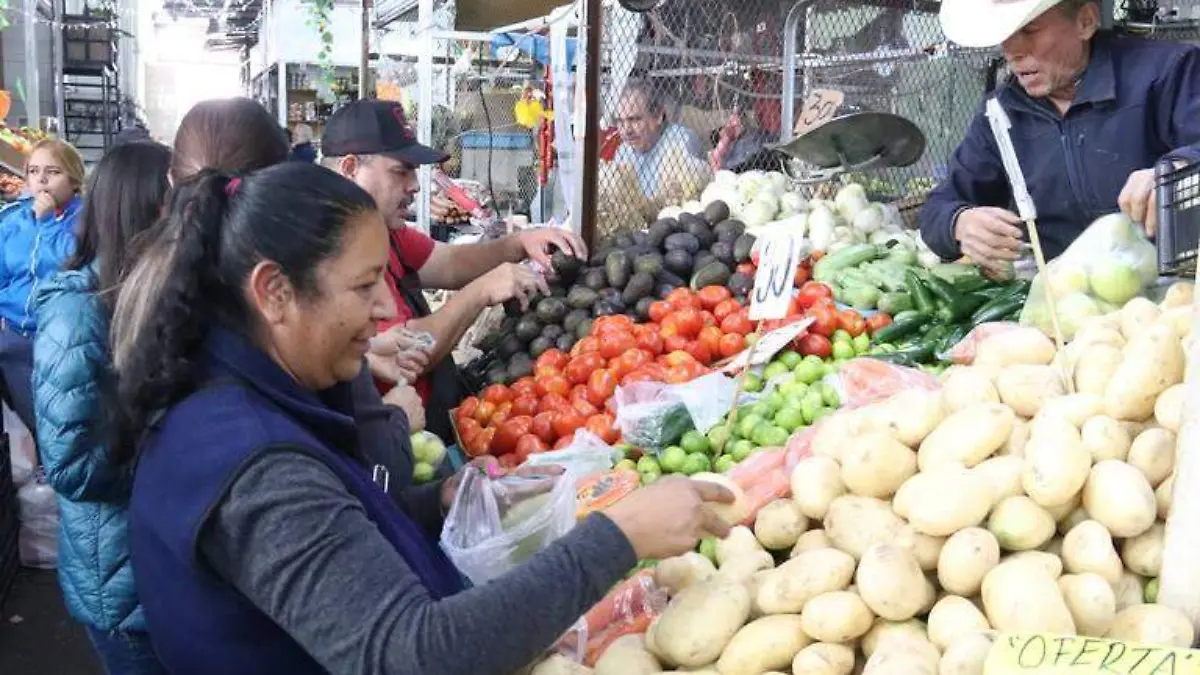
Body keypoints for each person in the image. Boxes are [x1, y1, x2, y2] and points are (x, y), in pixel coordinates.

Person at [111, 161, 733, 675]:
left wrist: (436, 499)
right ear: (275, 293)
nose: (387, 306)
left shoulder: (233, 403)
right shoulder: (251, 464)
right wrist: (620, 538)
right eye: (363, 287)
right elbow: (412, 654)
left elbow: (325, 540)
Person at [113, 96, 437, 529]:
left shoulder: (163, 306)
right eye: (362, 285)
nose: (381, 307)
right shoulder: (259, 453)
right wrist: (394, 421)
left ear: (172, 180)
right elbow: (371, 479)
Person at [320, 99, 586, 443]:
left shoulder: (387, 231)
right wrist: (480, 293)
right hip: (388, 439)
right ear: (350, 167)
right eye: (401, 170)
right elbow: (409, 349)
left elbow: (450, 264)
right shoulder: (329, 248)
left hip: (423, 425)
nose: (415, 185)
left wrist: (520, 243)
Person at [920, 0, 1200, 276]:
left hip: (1175, 284)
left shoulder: (1167, 71)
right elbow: (939, 206)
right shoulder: (1000, 114)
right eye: (1005, 35)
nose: (1012, 51)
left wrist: (1178, 170)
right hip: (1063, 295)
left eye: (1029, 30)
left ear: (1086, 21)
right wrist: (958, 223)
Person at [32, 141, 172, 675]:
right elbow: (72, 465)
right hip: (123, 583)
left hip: (160, 565)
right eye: (174, 202)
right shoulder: (78, 312)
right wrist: (182, 454)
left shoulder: (153, 294)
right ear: (141, 209)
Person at [0, 139, 85, 430]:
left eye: (53, 171)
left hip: (60, 340)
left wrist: (47, 223)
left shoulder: (86, 220)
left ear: (74, 180)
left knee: (59, 421)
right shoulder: (13, 221)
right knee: (27, 418)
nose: (42, 179)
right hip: (12, 335)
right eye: (34, 171)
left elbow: (72, 261)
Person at [612, 79, 707, 199]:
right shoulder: (623, 151)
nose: (626, 130)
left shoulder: (681, 142)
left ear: (658, 116)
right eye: (620, 121)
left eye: (635, 119)